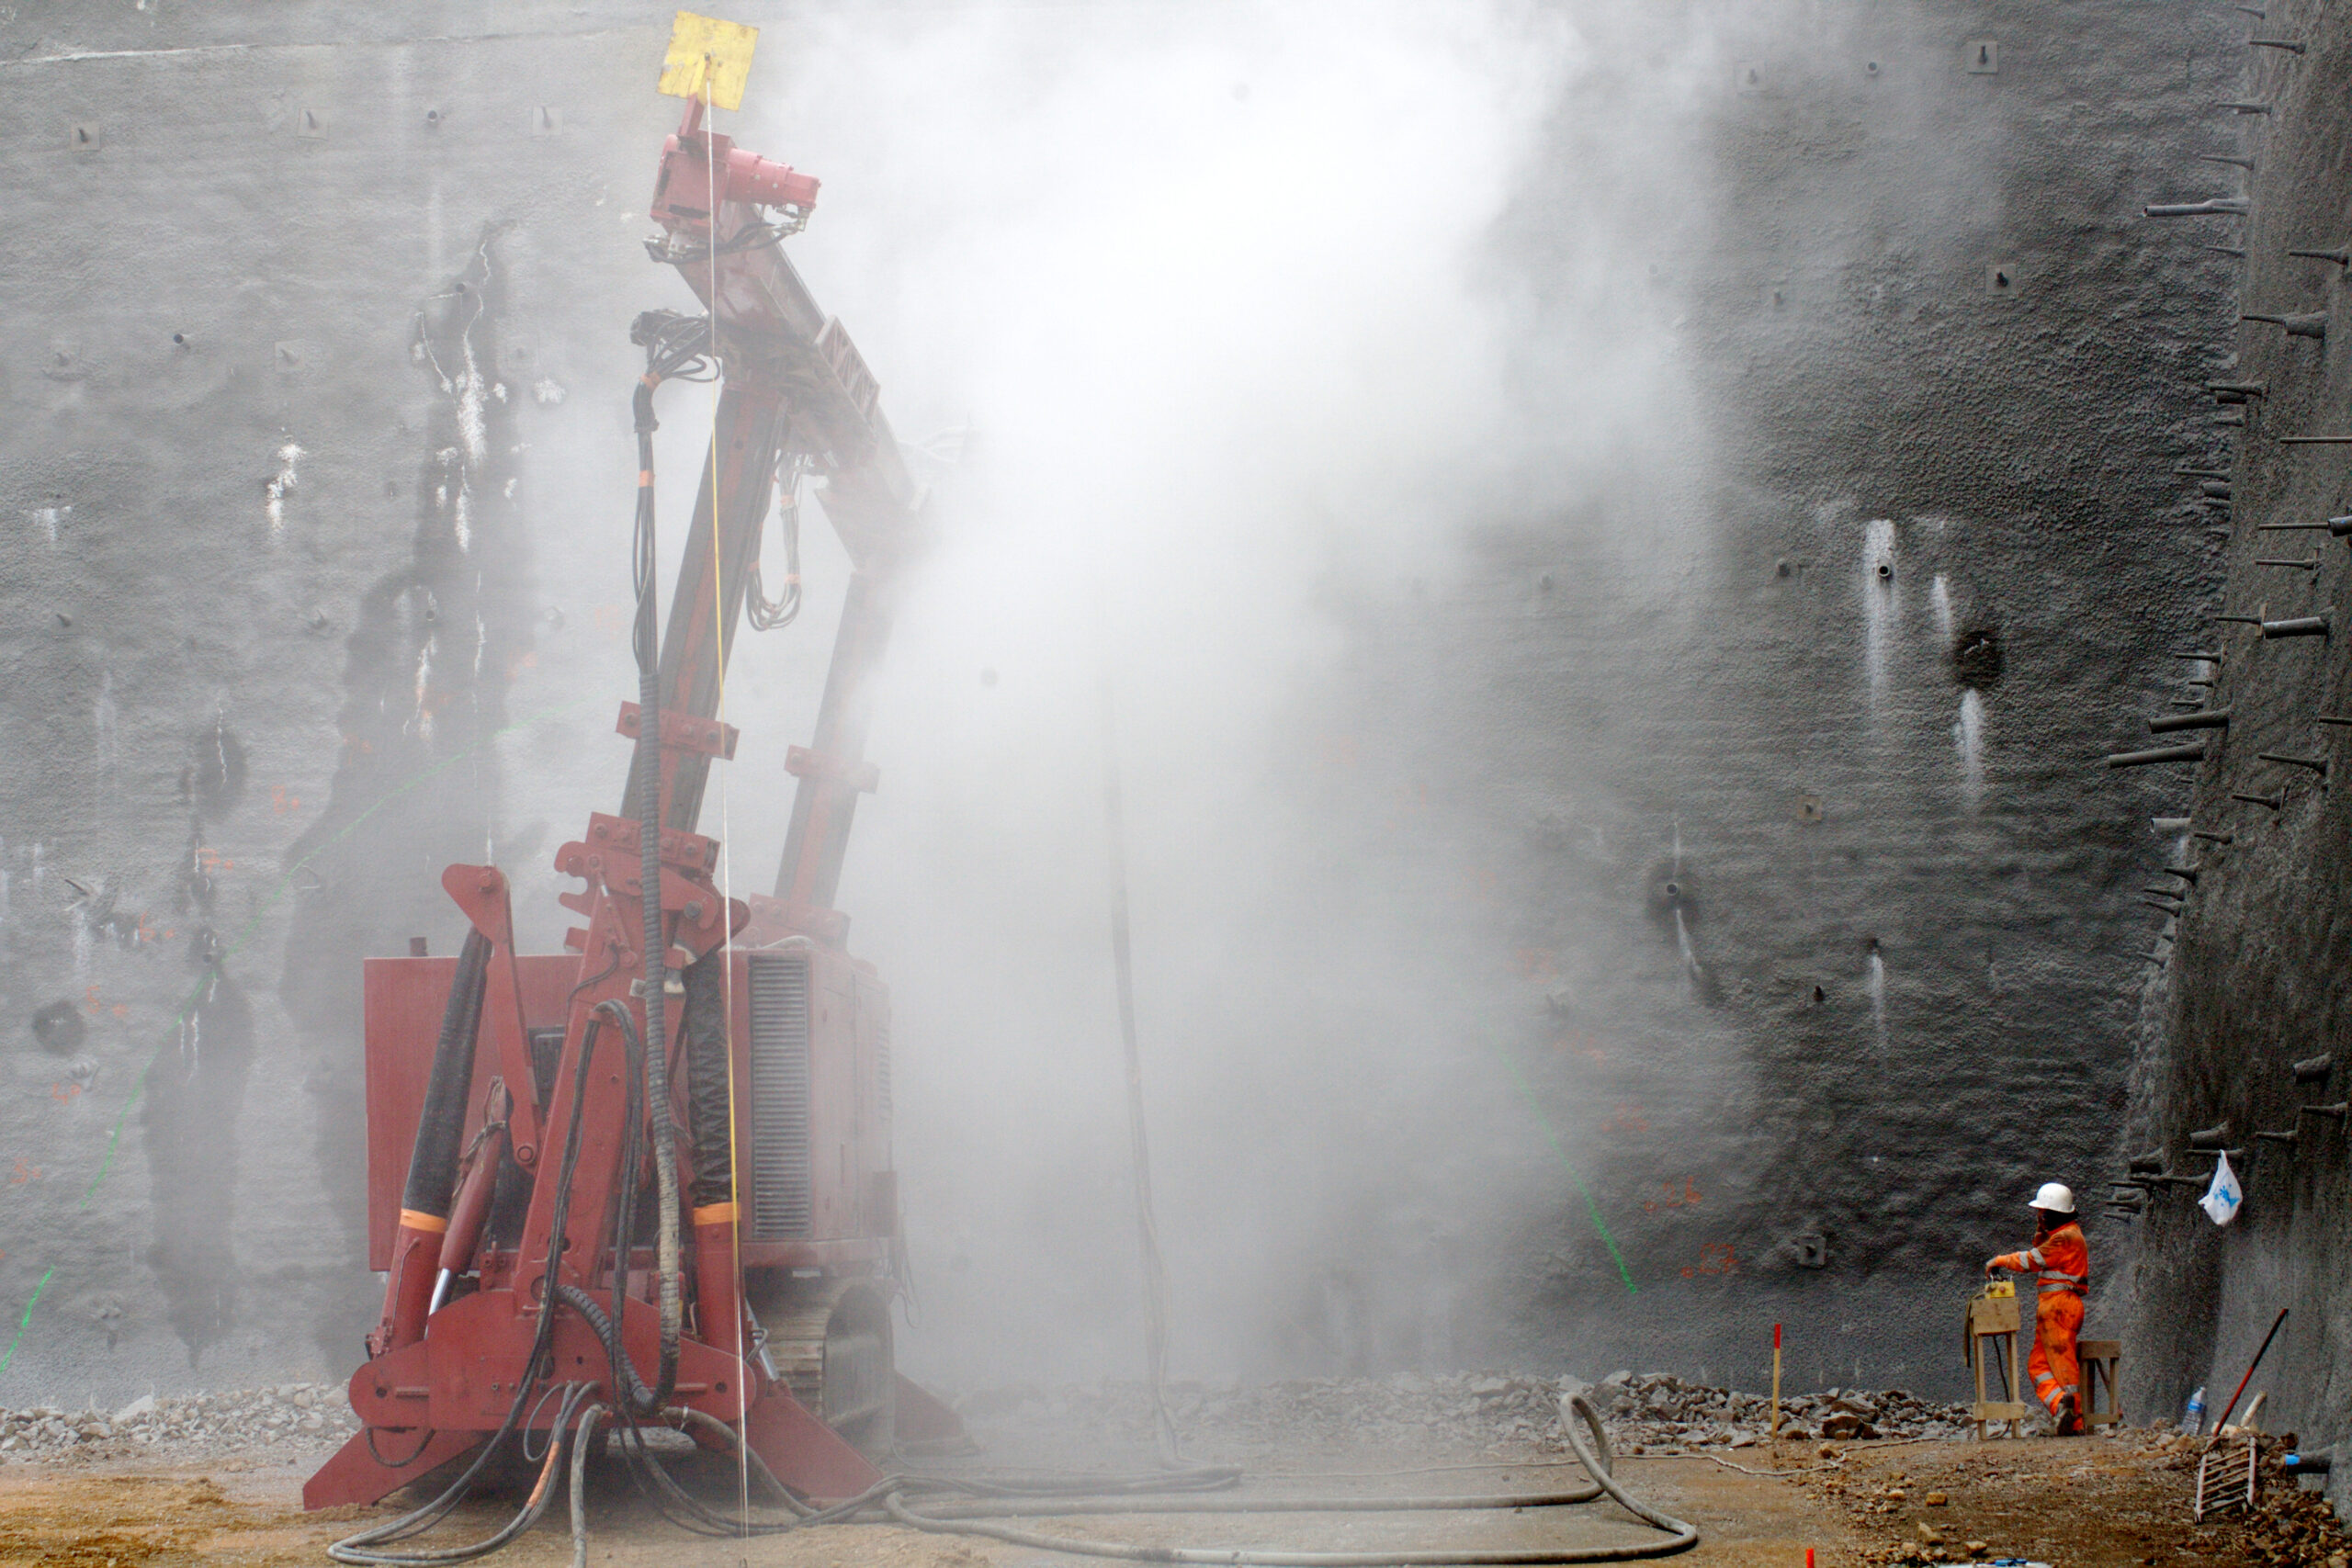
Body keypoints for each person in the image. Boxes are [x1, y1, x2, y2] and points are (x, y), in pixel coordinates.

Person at [1986, 1182, 2088, 1435]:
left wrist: (2000, 1260)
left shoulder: (2066, 1237)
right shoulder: (2062, 1235)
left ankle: (2076, 1423)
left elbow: (2032, 1260)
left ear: (2053, 1213)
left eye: (2042, 1213)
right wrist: (2041, 1229)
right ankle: (2061, 1405)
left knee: (2063, 1365)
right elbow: (2041, 1249)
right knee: (2038, 1366)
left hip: (2060, 1307)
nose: (2039, 1216)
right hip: (2053, 1308)